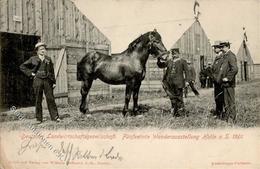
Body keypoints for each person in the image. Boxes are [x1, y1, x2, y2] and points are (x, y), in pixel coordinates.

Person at [20, 42, 61, 123]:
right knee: (38, 99)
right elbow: (22, 66)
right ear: (37, 51)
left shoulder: (48, 59)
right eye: (41, 49)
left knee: (50, 99)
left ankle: (55, 117)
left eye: (44, 49)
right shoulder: (33, 59)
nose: (43, 50)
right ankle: (39, 119)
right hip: (37, 80)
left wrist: (54, 82)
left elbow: (52, 71)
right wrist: (31, 73)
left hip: (47, 81)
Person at [157, 48, 190, 117]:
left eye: (175, 53)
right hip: (170, 83)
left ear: (178, 54)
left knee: (179, 98)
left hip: (179, 83)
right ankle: (175, 113)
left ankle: (181, 113)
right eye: (173, 53)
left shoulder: (182, 61)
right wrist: (159, 60)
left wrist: (187, 81)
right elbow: (161, 65)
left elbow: (187, 72)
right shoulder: (169, 61)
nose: (174, 55)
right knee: (172, 98)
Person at [217, 41, 238, 123]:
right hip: (224, 83)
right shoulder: (225, 56)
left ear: (227, 47)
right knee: (226, 101)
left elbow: (235, 69)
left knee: (231, 101)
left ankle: (233, 119)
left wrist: (228, 78)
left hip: (229, 83)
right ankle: (227, 118)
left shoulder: (231, 56)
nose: (221, 49)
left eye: (222, 47)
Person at [211, 41, 225, 119]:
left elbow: (222, 70)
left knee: (220, 98)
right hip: (216, 80)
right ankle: (218, 113)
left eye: (216, 47)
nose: (214, 49)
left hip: (220, 81)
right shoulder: (217, 57)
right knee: (217, 97)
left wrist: (219, 79)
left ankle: (220, 114)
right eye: (214, 47)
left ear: (220, 48)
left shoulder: (222, 57)